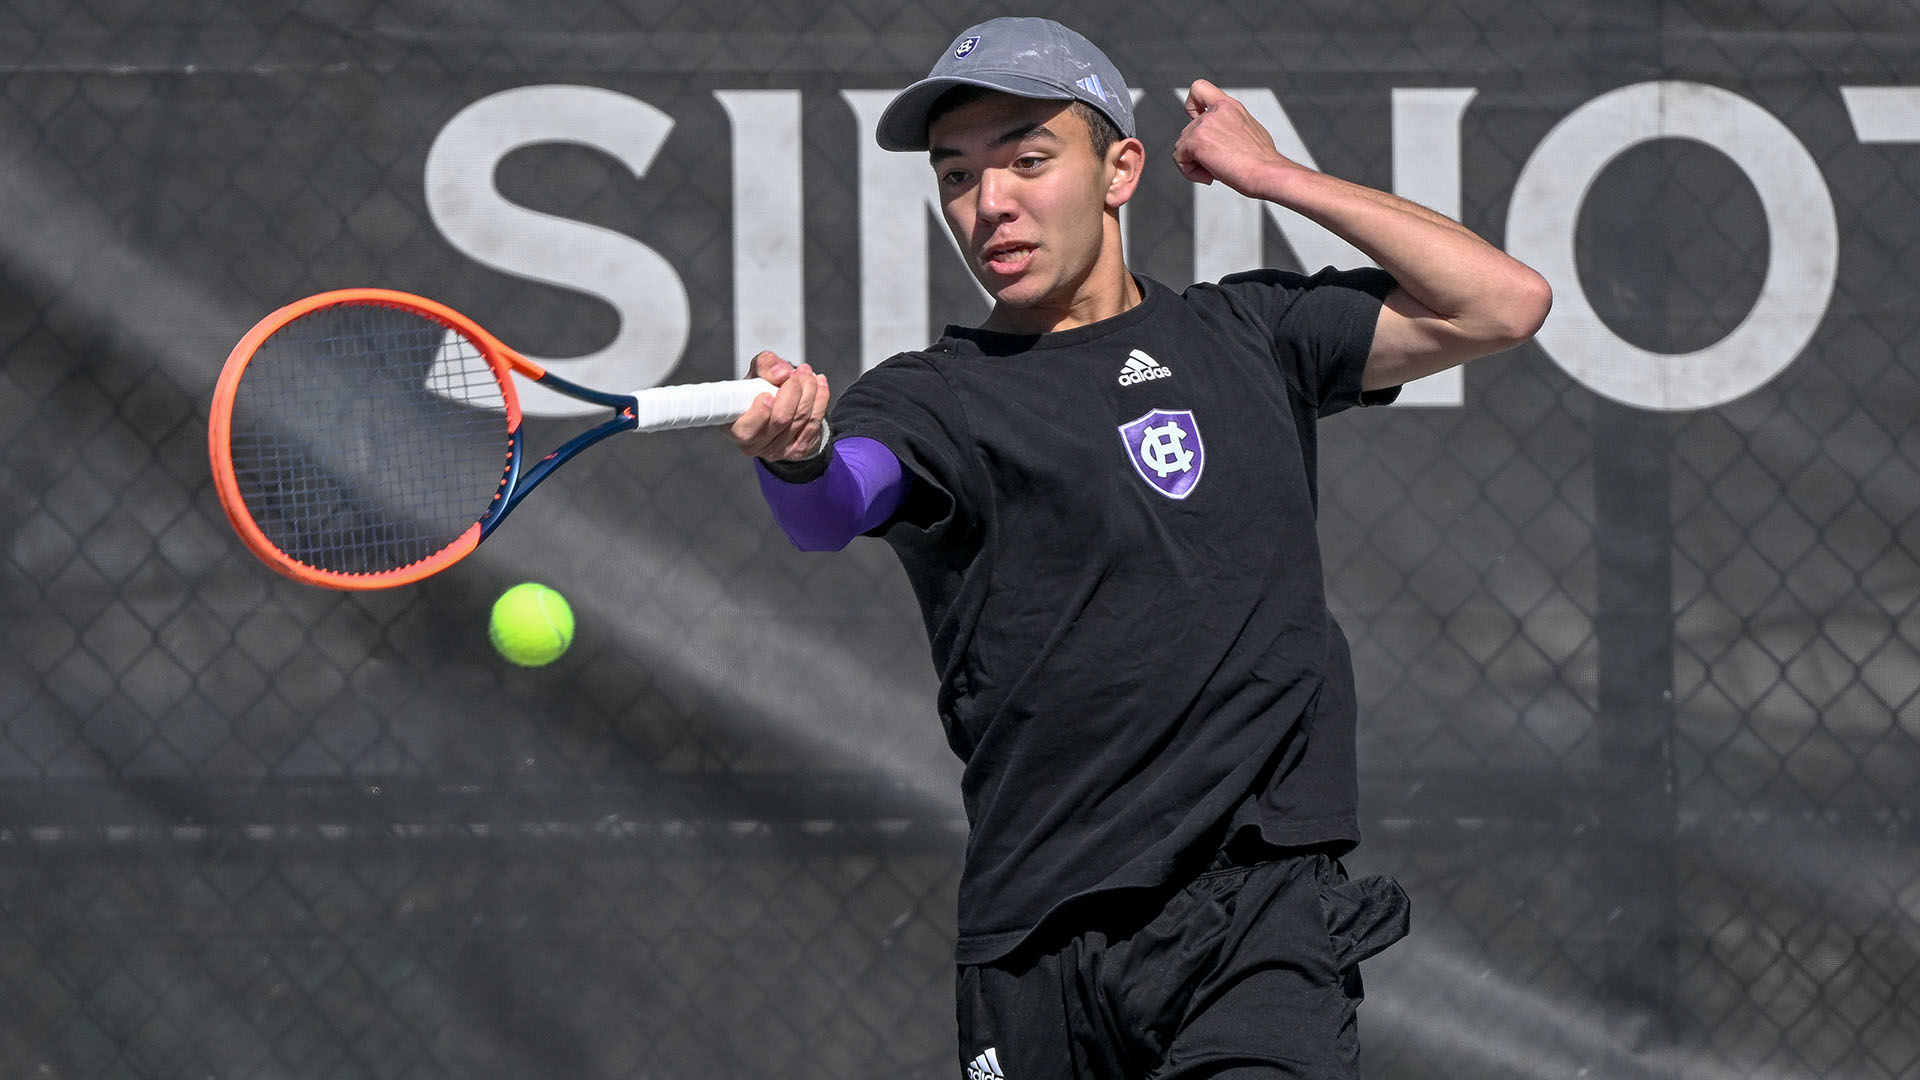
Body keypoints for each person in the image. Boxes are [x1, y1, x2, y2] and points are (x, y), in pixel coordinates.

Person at [728, 16, 1551, 1079]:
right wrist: (795, 460)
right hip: (1035, 938)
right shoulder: (933, 399)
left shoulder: (1251, 335)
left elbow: (1506, 302)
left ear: (1119, 170)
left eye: (1028, 160)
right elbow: (836, 505)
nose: (991, 205)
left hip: (1252, 920)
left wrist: (1272, 175)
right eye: (959, 177)